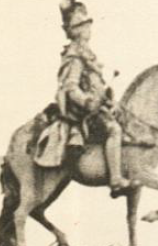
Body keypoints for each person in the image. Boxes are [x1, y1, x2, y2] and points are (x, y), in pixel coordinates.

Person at [54, 0, 127, 194]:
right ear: (76, 30)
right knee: (114, 130)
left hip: (97, 106)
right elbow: (70, 87)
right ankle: (116, 179)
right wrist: (87, 101)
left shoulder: (87, 53)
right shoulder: (75, 55)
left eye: (88, 25)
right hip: (84, 111)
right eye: (84, 25)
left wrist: (108, 99)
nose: (88, 29)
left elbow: (95, 85)